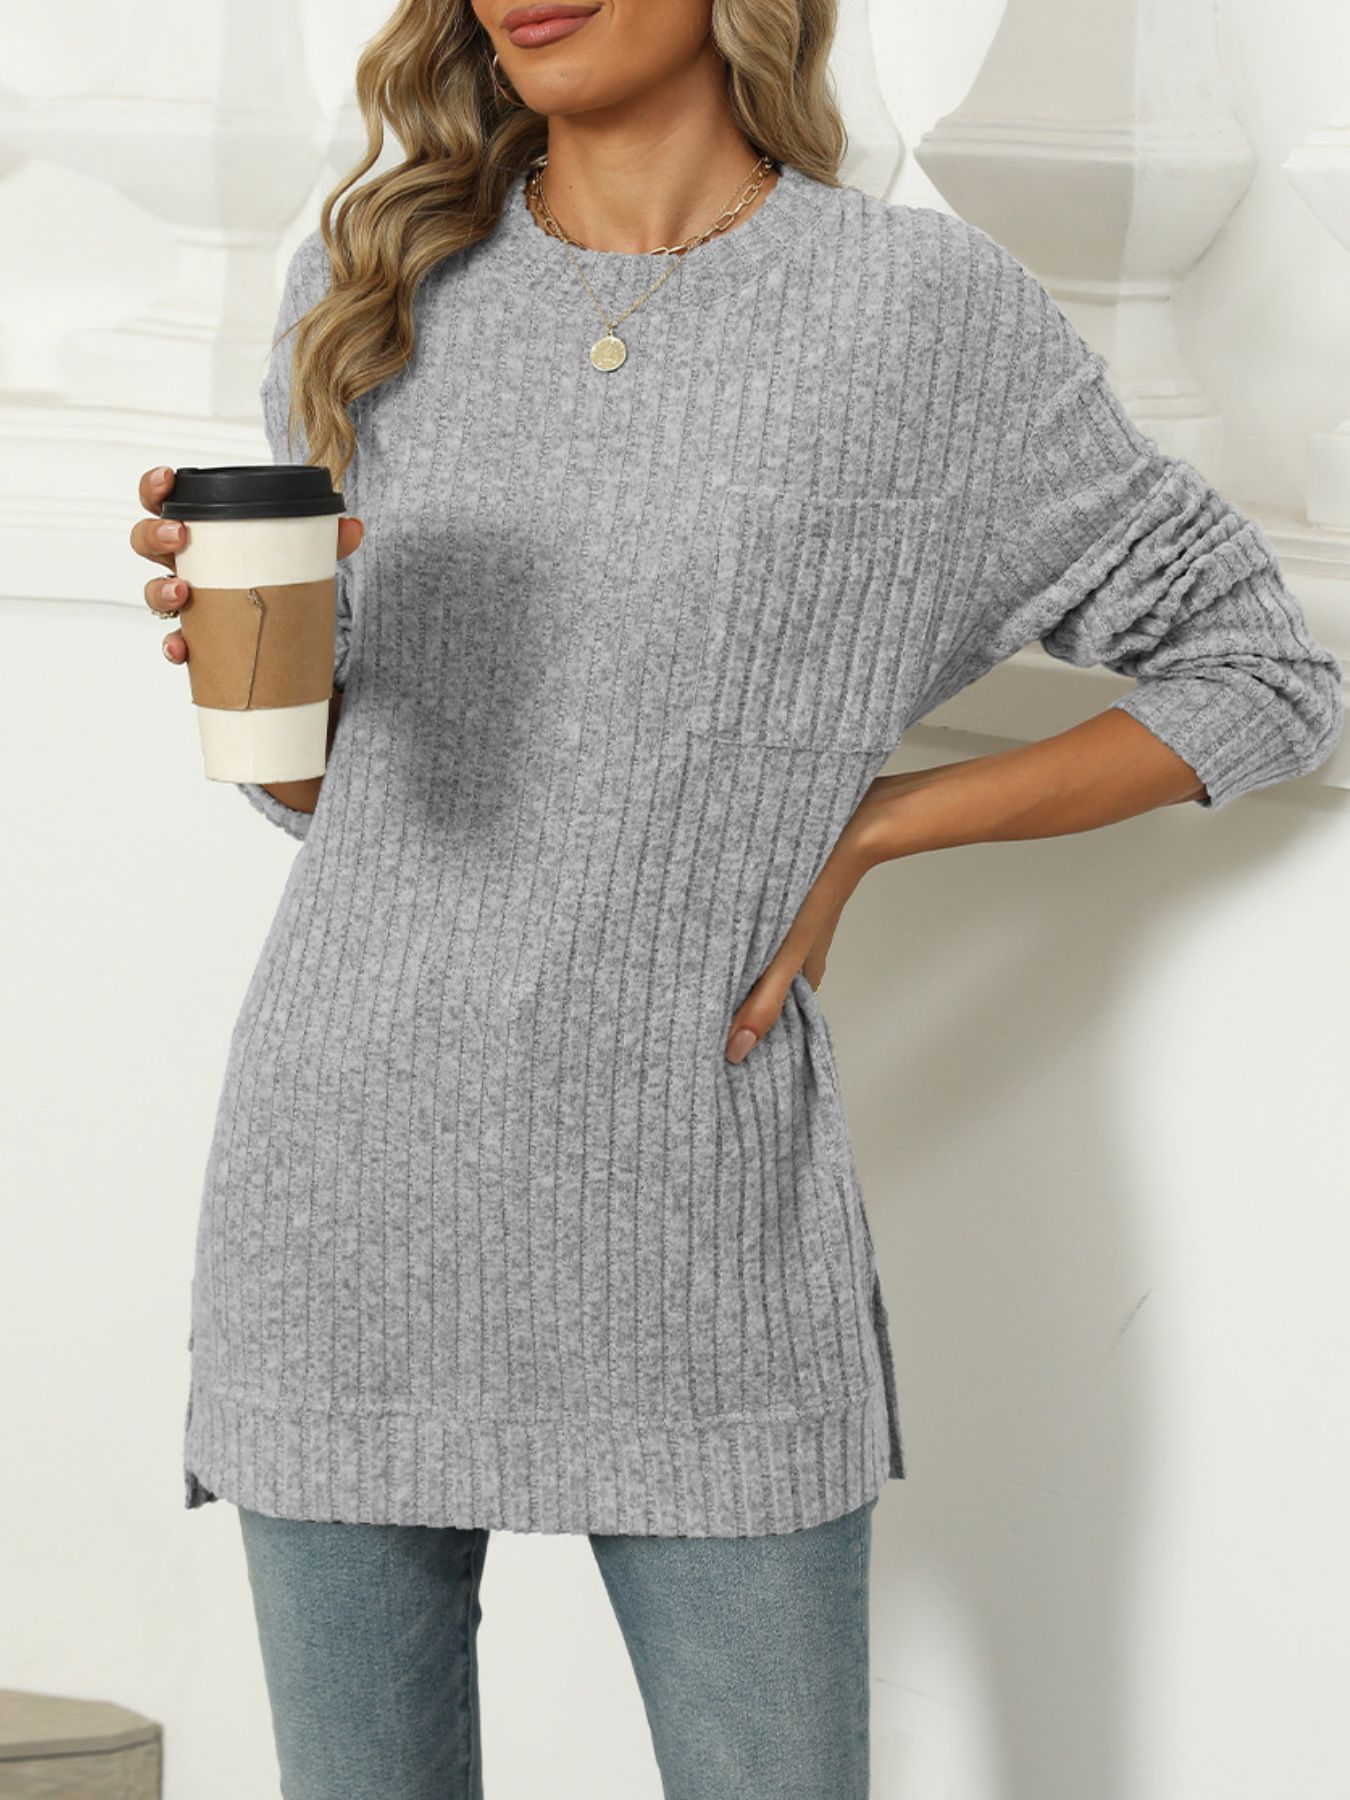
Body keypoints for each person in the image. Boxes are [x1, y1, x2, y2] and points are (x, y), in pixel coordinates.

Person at [130, 1, 1343, 1795]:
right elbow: (334, 805)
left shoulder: (914, 313)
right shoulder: (373, 283)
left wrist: (869, 827)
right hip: (342, 1187)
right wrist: (244, 668)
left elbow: (1264, 673)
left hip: (694, 1202)